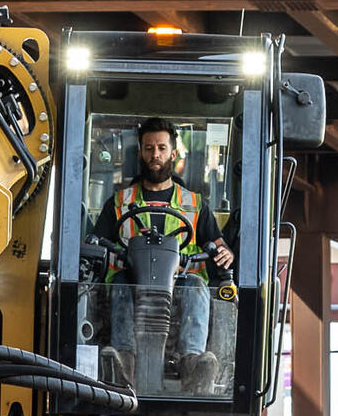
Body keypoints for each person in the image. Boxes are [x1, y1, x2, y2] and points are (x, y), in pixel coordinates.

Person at [91, 118, 233, 394]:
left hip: (180, 286)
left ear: (173, 153)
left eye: (161, 148)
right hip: (132, 284)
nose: (155, 155)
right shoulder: (120, 202)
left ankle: (192, 363)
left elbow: (217, 243)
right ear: (140, 153)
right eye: (148, 148)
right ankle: (124, 362)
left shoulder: (194, 204)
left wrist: (225, 252)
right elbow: (97, 241)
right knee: (119, 282)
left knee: (197, 286)